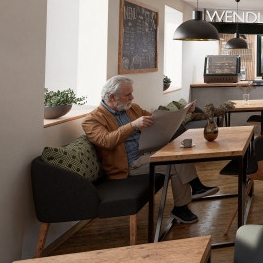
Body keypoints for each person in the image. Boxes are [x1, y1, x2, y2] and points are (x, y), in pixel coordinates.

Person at [82, 75, 219, 224]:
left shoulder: (133, 108)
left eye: (131, 93)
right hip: (129, 164)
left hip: (147, 152)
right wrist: (133, 125)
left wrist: (182, 113)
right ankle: (187, 199)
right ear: (112, 97)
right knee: (174, 162)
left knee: (180, 154)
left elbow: (157, 120)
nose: (132, 97)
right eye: (128, 95)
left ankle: (187, 200)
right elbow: (106, 141)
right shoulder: (92, 120)